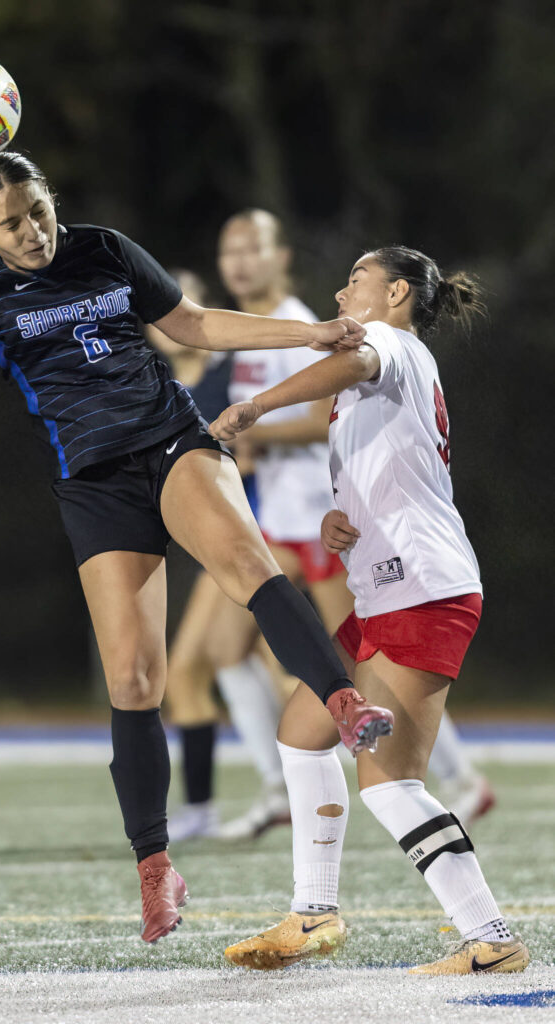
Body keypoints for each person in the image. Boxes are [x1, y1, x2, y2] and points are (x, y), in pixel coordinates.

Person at [0, 152, 393, 945]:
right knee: (133, 676)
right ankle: (155, 867)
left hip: (171, 441)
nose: (33, 231)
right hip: (92, 483)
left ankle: (343, 701)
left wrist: (310, 331)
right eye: (11, 223)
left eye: (39, 211)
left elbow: (190, 325)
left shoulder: (105, 250)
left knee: (246, 569)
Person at [213, 246, 528, 974]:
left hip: (422, 585)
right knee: (302, 729)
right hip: (389, 584)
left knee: (390, 783)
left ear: (395, 294)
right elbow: (392, 470)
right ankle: (313, 913)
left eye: (355, 279)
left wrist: (258, 405)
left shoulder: (386, 342)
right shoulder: (392, 365)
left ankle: (490, 938)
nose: (340, 289)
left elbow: (351, 364)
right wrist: (337, 517)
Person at [164, 211, 353, 842]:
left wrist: (250, 429)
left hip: (306, 519)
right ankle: (282, 786)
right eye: (230, 250)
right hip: (267, 521)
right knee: (235, 656)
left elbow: (322, 417)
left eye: (253, 249)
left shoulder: (286, 330)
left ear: (281, 255)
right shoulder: (228, 347)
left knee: (357, 654)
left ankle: (432, 773)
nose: (240, 261)